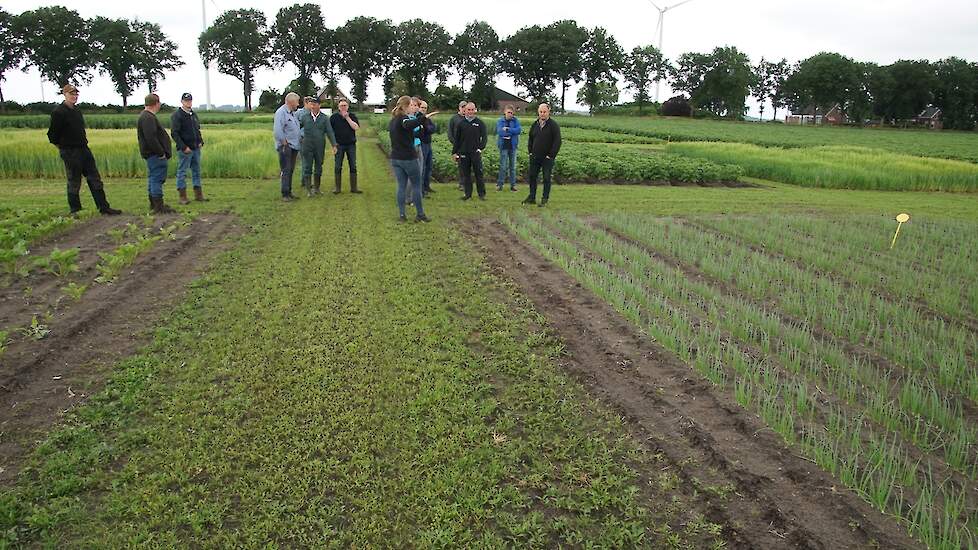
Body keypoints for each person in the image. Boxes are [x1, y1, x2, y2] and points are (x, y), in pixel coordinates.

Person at [46, 84, 121, 216]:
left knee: (95, 178)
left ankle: (103, 207)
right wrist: (63, 147)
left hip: (83, 148)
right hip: (69, 151)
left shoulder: (77, 110)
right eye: (71, 94)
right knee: (74, 180)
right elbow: (52, 135)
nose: (74, 96)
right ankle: (75, 210)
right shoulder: (59, 112)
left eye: (76, 94)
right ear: (65, 95)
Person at [387, 95, 430, 223]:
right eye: (411, 104)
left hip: (395, 158)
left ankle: (402, 215)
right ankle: (420, 214)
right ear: (405, 107)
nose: (413, 107)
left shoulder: (393, 120)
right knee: (416, 185)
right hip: (408, 158)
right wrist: (423, 118)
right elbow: (408, 125)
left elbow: (406, 132)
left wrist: (419, 128)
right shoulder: (404, 119)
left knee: (401, 186)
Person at [137, 93, 175, 214]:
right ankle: (158, 206)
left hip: (152, 154)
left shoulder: (145, 116)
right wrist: (160, 152)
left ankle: (154, 204)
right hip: (155, 155)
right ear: (156, 104)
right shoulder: (148, 117)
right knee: (157, 179)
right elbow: (151, 138)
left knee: (153, 178)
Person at [170, 92, 207, 204]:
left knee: (196, 171)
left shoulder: (193, 115)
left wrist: (200, 141)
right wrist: (183, 147)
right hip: (185, 149)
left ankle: (198, 195)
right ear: (182, 102)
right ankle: (182, 196)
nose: (188, 102)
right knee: (182, 172)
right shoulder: (177, 115)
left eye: (190, 100)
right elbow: (175, 133)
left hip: (196, 148)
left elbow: (197, 129)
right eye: (186, 101)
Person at [297, 96, 337, 197]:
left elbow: (329, 132)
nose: (312, 106)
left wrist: (334, 145)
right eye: (311, 104)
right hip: (307, 146)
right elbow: (297, 128)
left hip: (319, 146)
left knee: (319, 166)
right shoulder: (305, 117)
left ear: (319, 105)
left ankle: (317, 188)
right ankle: (308, 190)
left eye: (314, 104)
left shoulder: (324, 118)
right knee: (307, 167)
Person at [524, 103, 562, 207]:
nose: (542, 114)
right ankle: (532, 197)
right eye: (541, 112)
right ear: (538, 112)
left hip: (547, 158)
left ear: (548, 112)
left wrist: (551, 155)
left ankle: (544, 199)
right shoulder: (535, 124)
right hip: (535, 156)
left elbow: (557, 141)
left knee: (546, 178)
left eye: (544, 112)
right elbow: (530, 138)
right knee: (532, 177)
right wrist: (530, 152)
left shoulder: (553, 126)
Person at [452, 102, 488, 201]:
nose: (470, 112)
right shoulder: (461, 124)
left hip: (475, 153)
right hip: (464, 153)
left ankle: (482, 194)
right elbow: (457, 140)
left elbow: (484, 137)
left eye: (472, 110)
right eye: (469, 110)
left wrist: (480, 148)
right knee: (466, 174)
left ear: (475, 110)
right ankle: (468, 194)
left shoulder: (480, 123)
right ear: (465, 111)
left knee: (478, 174)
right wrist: (454, 152)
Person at [274, 92, 302, 201]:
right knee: (286, 170)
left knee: (290, 170)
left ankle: (289, 192)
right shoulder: (281, 112)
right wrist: (284, 142)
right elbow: (277, 130)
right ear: (291, 102)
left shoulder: (292, 113)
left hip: (294, 146)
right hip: (286, 146)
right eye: (297, 102)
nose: (298, 104)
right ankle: (285, 194)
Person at [329, 98, 362, 194]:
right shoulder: (334, 117)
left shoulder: (352, 116)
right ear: (338, 107)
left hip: (351, 145)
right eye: (341, 106)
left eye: (345, 105)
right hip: (339, 145)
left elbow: (356, 127)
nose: (343, 107)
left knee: (353, 166)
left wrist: (347, 118)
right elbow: (330, 132)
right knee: (338, 166)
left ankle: (354, 188)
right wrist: (333, 145)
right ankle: (337, 188)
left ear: (348, 106)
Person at [495, 105, 522, 192]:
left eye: (511, 113)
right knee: (503, 166)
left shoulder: (515, 121)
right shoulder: (500, 121)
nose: (510, 114)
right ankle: (500, 185)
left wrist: (507, 129)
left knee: (513, 167)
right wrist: (511, 132)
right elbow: (500, 132)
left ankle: (513, 185)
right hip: (503, 146)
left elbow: (518, 130)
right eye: (508, 112)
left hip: (513, 146)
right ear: (504, 112)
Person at [418, 100, 438, 197]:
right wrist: (427, 128)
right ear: (418, 108)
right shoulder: (418, 118)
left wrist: (427, 128)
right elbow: (428, 129)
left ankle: (426, 186)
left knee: (429, 166)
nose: (424, 110)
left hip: (428, 144)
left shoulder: (427, 119)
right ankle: (421, 190)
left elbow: (432, 129)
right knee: (422, 167)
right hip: (422, 144)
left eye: (425, 108)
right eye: (422, 108)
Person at [447, 100, 466, 191]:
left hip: (467, 145)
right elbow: (450, 133)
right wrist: (455, 144)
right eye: (462, 107)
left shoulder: (468, 118)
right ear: (459, 108)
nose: (464, 109)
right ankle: (461, 183)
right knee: (461, 165)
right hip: (458, 146)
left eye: (465, 108)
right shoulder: (454, 119)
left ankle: (467, 182)